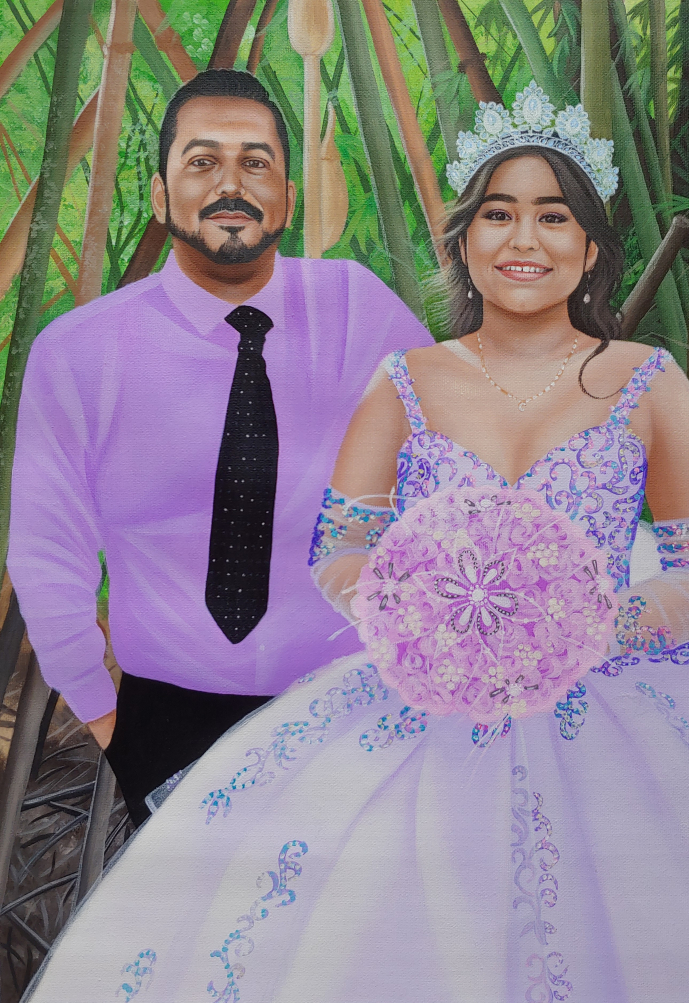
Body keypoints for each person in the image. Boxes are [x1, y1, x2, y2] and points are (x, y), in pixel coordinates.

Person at [22, 85, 689, 1003]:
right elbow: (337, 544)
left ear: (590, 245)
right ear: (464, 241)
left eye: (553, 217)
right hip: (333, 709)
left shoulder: (630, 377)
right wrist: (415, 605)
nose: (523, 239)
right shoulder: (399, 377)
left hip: (593, 708)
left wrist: (583, 620)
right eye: (498, 214)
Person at [7, 68, 432, 826]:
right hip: (165, 721)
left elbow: (439, 491)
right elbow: (48, 555)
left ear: (288, 198)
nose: (230, 182)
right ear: (162, 195)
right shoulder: (79, 351)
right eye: (201, 161)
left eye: (255, 161)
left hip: (352, 708)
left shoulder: (359, 310)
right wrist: (111, 723)